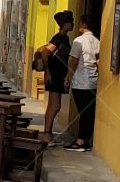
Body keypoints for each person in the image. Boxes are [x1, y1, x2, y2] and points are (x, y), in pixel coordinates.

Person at [37, 10, 74, 145]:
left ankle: (48, 133)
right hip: (55, 75)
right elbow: (46, 52)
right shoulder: (58, 38)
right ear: (65, 24)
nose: (73, 24)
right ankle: (46, 134)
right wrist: (48, 71)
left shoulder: (64, 38)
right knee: (55, 105)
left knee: (54, 105)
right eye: (70, 22)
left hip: (57, 74)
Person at [65, 15, 99, 149]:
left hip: (80, 81)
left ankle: (80, 141)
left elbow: (74, 61)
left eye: (79, 23)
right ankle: (85, 139)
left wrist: (68, 77)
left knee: (83, 112)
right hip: (93, 80)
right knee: (89, 112)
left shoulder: (78, 41)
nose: (78, 25)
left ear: (84, 24)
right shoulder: (97, 41)